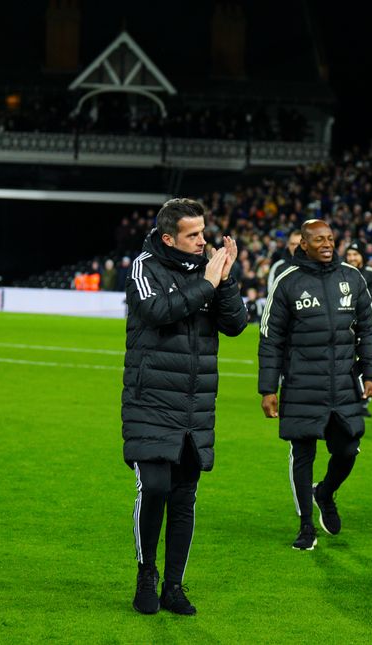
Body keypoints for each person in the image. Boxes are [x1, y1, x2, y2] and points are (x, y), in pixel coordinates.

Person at [121, 197, 247, 615]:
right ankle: (146, 574)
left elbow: (235, 325)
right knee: (154, 487)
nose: (202, 241)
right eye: (193, 234)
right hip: (151, 401)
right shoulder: (144, 266)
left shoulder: (208, 270)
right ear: (168, 237)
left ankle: (174, 586)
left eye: (203, 232)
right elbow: (157, 310)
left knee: (184, 497)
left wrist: (225, 280)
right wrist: (208, 283)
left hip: (194, 405)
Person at [258, 219, 372, 551]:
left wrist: (371, 372)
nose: (327, 244)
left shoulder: (352, 279)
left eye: (330, 238)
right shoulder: (287, 282)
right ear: (303, 244)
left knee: (348, 449)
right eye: (318, 240)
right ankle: (305, 526)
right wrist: (268, 389)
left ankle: (324, 492)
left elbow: (369, 328)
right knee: (303, 452)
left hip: (342, 383)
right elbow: (270, 338)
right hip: (301, 383)